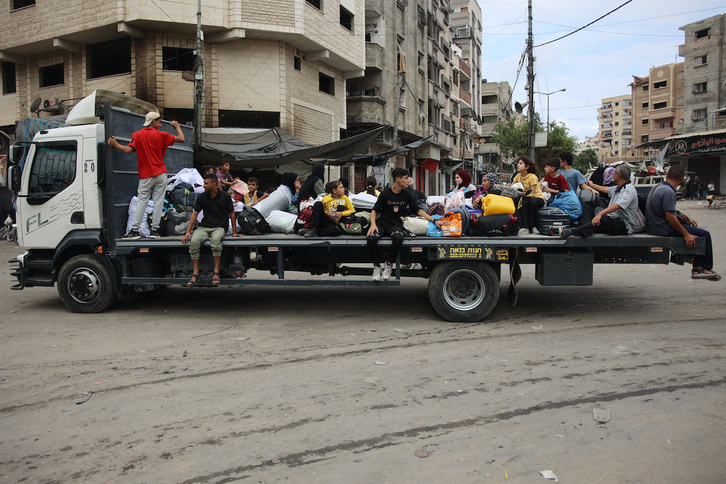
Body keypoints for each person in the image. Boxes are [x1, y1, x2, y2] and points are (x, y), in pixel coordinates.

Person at [108, 111, 185, 239]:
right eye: (159, 121)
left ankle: (134, 231)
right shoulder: (162, 135)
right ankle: (155, 231)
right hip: (161, 173)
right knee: (159, 201)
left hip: (146, 174)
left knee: (142, 201)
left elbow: (128, 150)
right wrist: (177, 127)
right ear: (153, 121)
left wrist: (115, 144)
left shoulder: (137, 135)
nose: (160, 124)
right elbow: (181, 139)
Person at [646, 165, 719, 281]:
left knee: (694, 231)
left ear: (667, 175)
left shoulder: (657, 187)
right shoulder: (669, 192)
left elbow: (667, 211)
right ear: (681, 180)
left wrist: (687, 218)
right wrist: (686, 234)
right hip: (663, 228)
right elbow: (670, 217)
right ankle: (702, 268)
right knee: (705, 235)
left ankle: (698, 267)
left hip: (655, 226)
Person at [368, 168, 442, 281]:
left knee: (398, 237)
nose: (409, 181)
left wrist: (434, 220)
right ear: (398, 179)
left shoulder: (407, 195)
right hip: (383, 223)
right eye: (406, 178)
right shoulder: (385, 193)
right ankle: (377, 266)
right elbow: (374, 211)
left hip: (396, 223)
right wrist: (373, 225)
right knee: (372, 238)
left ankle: (389, 264)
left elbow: (419, 211)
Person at [181, 173, 242, 286]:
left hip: (219, 227)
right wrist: (188, 232)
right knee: (194, 242)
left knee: (215, 242)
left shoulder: (225, 196)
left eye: (206, 183)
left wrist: (234, 232)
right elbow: (195, 215)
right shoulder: (202, 197)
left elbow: (232, 214)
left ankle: (216, 272)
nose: (203, 186)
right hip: (204, 227)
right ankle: (195, 272)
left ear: (214, 185)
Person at [561, 164, 638, 238]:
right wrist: (592, 185)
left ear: (619, 176)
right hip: (613, 219)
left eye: (614, 174)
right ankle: (585, 229)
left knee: (605, 218)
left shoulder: (627, 190)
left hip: (625, 225)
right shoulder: (618, 188)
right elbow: (606, 189)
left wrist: (600, 214)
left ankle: (577, 231)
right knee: (588, 206)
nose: (612, 176)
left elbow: (617, 205)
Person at [512, 156, 546, 235]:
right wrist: (500, 186)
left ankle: (533, 226)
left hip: (537, 199)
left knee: (530, 202)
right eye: (518, 163)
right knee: (522, 202)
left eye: (521, 163)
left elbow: (533, 194)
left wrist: (519, 192)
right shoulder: (518, 176)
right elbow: (511, 186)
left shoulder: (532, 177)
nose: (518, 165)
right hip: (526, 197)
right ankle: (524, 227)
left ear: (527, 167)